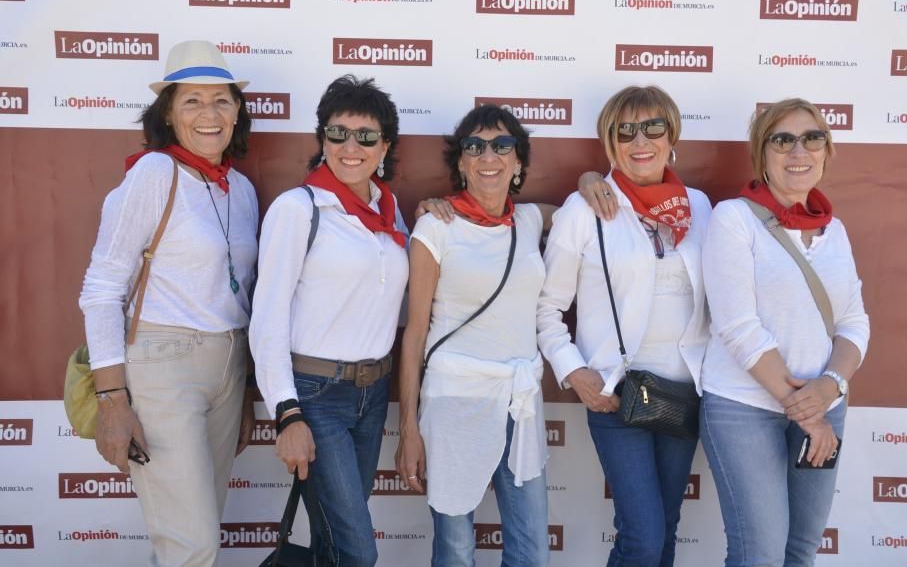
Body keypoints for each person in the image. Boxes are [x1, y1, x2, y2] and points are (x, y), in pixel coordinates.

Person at [79, 40, 258, 566]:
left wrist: (242, 386)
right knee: (192, 544)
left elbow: (239, 295)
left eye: (222, 100)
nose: (210, 114)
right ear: (168, 114)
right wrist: (113, 399)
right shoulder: (154, 174)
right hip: (163, 368)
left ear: (237, 112)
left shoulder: (241, 189)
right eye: (192, 101)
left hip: (229, 364)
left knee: (193, 537)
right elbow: (101, 287)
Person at [537, 85, 712, 567]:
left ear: (671, 134)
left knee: (667, 529)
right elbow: (547, 309)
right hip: (617, 394)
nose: (641, 140)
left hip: (685, 394)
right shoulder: (584, 210)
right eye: (625, 130)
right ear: (610, 141)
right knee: (642, 536)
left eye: (653, 126)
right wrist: (575, 371)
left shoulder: (699, 207)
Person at [699, 98, 869, 566]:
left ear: (826, 151)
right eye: (783, 140)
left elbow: (854, 321)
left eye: (812, 138)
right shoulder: (734, 219)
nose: (799, 150)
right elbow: (738, 326)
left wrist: (830, 386)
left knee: (800, 551)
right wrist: (806, 413)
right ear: (762, 153)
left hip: (824, 403)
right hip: (744, 408)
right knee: (761, 554)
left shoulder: (836, 232)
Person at [249, 75, 408, 567]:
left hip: (372, 394)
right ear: (322, 140)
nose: (350, 147)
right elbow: (267, 317)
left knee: (332, 542)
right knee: (356, 550)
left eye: (366, 136)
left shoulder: (388, 209)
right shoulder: (299, 209)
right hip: (316, 396)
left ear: (384, 146)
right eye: (338, 133)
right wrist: (287, 413)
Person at [396, 104, 557, 567]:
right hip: (455, 399)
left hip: (519, 399)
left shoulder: (529, 220)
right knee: (456, 550)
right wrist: (409, 427)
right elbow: (415, 334)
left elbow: (585, 211)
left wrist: (590, 180)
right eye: (475, 146)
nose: (490, 155)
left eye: (503, 145)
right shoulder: (435, 227)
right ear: (462, 163)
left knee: (532, 552)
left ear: (519, 162)